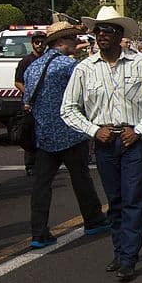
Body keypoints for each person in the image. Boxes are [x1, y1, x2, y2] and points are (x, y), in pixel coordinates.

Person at [61, 6, 142, 281]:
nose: (101, 35)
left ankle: (129, 257)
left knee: (133, 200)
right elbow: (68, 109)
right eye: (98, 30)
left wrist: (139, 130)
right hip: (105, 143)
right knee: (115, 201)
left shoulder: (140, 64)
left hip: (133, 142)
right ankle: (120, 251)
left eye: (107, 30)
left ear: (120, 35)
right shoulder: (84, 69)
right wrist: (94, 130)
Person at [24, 21, 110, 248]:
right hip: (71, 132)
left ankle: (39, 232)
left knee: (42, 185)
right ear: (61, 41)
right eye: (72, 39)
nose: (76, 42)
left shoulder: (33, 67)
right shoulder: (69, 66)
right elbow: (87, 95)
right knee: (81, 179)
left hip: (44, 134)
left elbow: (27, 99)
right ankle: (93, 220)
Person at [14, 30, 48, 176]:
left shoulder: (48, 59)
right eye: (37, 42)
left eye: (42, 42)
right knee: (30, 134)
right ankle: (30, 165)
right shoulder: (26, 61)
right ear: (32, 44)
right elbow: (18, 82)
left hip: (46, 103)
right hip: (30, 104)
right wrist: (29, 95)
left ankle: (44, 164)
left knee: (44, 133)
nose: (40, 45)